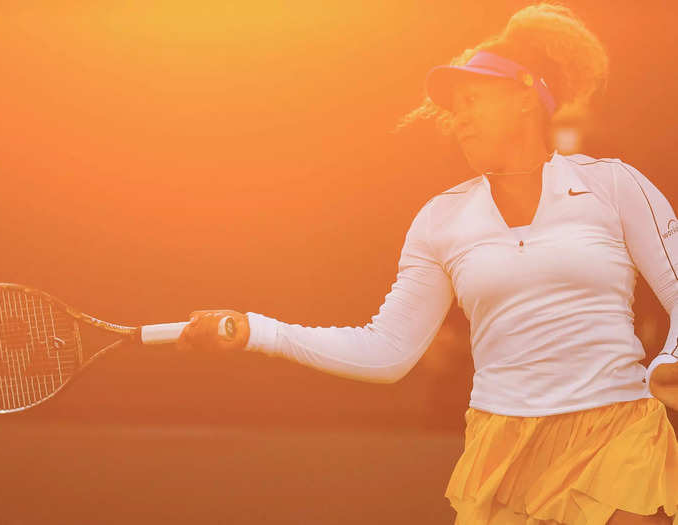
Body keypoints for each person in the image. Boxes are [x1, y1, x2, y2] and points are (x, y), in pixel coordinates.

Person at [178, 3, 678, 524]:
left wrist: (670, 356)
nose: (458, 118)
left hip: (617, 434)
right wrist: (257, 331)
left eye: (473, 100)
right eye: (453, 108)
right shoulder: (441, 219)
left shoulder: (615, 184)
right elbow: (387, 351)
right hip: (501, 448)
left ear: (526, 98)